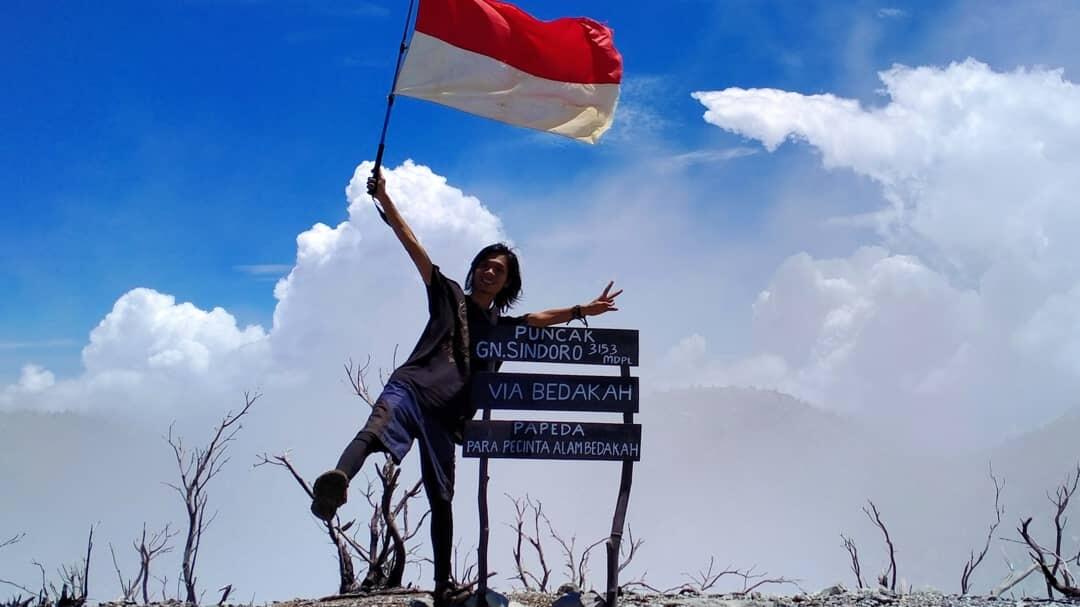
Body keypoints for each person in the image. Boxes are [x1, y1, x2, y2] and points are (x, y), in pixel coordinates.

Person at [310, 172, 622, 603]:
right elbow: (413, 245)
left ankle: (443, 587)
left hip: (446, 416)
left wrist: (581, 309)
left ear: (506, 283)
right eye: (485, 264)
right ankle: (337, 482)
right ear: (474, 269)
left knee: (442, 497)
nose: (490, 271)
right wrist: (385, 199)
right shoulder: (448, 294)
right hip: (412, 387)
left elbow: (537, 319)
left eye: (499, 269)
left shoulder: (500, 326)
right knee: (375, 428)